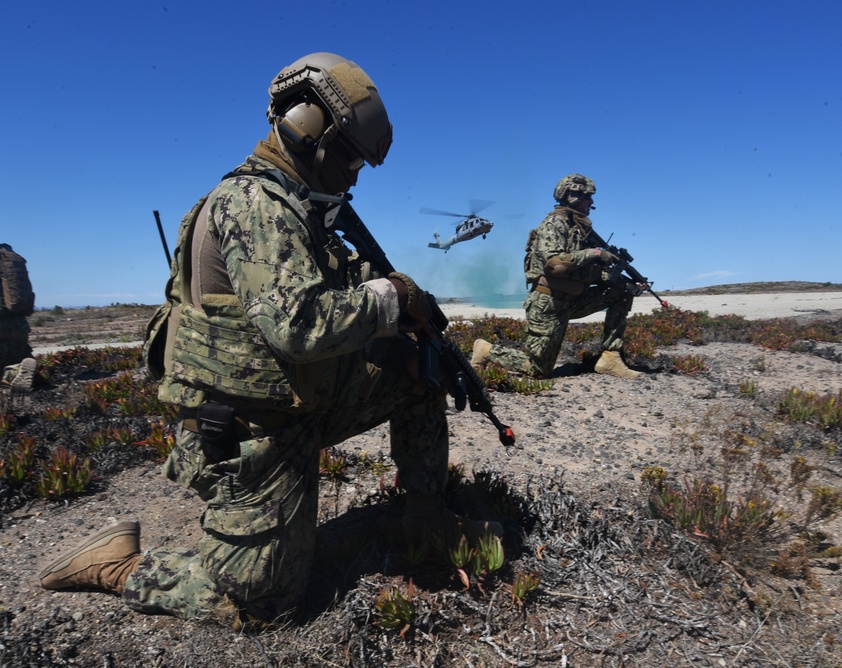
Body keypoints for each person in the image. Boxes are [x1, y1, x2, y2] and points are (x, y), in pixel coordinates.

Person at [38, 52, 498, 625]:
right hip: (247, 429)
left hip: (298, 403)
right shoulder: (255, 204)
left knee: (417, 370)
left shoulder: (300, 209)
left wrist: (398, 309)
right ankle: (120, 564)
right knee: (262, 607)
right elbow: (299, 325)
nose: (354, 173)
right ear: (308, 130)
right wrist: (391, 299)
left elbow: (327, 292)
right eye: (351, 156)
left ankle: (423, 517)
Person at [472, 174, 642, 379]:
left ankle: (609, 357)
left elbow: (586, 273)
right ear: (573, 197)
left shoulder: (579, 230)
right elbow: (556, 266)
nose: (592, 202)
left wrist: (624, 281)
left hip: (573, 301)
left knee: (621, 291)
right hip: (548, 305)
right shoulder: (554, 223)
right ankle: (485, 350)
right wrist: (595, 253)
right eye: (588, 197)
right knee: (538, 370)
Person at [0, 242, 37, 392]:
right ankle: (15, 371)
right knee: (17, 355)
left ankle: (13, 373)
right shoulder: (11, 257)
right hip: (18, 322)